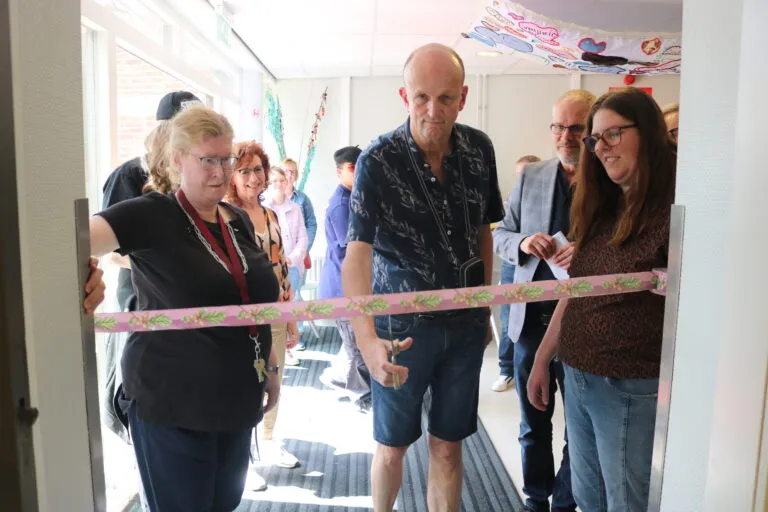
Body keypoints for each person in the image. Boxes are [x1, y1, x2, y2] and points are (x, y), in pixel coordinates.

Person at [89, 105, 281, 512]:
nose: (221, 172)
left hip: (236, 398)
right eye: (207, 160)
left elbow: (254, 304)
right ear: (178, 160)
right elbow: (66, 241)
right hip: (172, 404)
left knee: (223, 504)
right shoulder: (152, 214)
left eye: (226, 159)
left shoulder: (235, 219)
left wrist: (272, 367)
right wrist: (86, 279)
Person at [342, 43, 504, 512]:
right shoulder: (378, 159)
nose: (434, 111)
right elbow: (356, 255)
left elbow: (483, 232)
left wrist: (483, 308)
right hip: (401, 331)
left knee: (449, 447)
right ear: (405, 96)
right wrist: (367, 339)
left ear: (463, 97)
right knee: (391, 446)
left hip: (464, 326)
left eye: (446, 98)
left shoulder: (479, 149)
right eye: (422, 98)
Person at [527, 87, 676, 512]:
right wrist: (542, 358)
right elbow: (576, 291)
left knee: (626, 502)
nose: (601, 148)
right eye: (596, 139)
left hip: (627, 383)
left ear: (647, 133)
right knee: (589, 498)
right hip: (577, 374)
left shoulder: (674, 211)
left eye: (614, 134)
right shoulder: (602, 206)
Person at [494, 89, 597, 512]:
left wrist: (588, 253)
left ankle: (565, 503)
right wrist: (522, 242)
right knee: (532, 424)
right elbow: (500, 235)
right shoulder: (531, 176)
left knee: (580, 429)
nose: (565, 136)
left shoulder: (611, 179)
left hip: (585, 326)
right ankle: (536, 499)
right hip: (530, 324)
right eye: (558, 127)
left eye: (576, 128)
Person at [101, 91, 201, 442]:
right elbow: (110, 251)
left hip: (188, 308)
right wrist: (167, 262)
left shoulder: (196, 175)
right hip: (143, 303)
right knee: (145, 394)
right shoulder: (129, 175)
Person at [224, 141, 301, 482]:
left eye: (258, 170)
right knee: (244, 384)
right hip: (241, 319)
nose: (253, 178)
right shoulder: (223, 216)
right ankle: (244, 459)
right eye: (244, 171)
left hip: (276, 312)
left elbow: (281, 267)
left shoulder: (270, 214)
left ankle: (268, 440)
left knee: (275, 378)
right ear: (232, 175)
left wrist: (291, 316)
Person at [318, 145, 372, 411]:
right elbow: (354, 247)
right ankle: (361, 396)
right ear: (340, 171)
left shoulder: (355, 197)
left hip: (351, 284)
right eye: (352, 167)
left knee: (353, 340)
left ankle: (337, 378)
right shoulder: (342, 204)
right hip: (342, 287)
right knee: (356, 344)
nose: (358, 171)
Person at [492, 154, 540, 393]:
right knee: (508, 319)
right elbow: (499, 236)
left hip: (542, 267)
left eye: (529, 175)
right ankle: (506, 369)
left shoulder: (548, 199)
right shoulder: (509, 201)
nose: (524, 180)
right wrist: (523, 242)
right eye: (520, 175)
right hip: (513, 264)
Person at [263, 166, 308, 366]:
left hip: (292, 266)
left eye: (281, 180)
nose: (278, 184)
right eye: (273, 181)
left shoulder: (295, 208)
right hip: (271, 268)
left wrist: (292, 258)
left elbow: (303, 238)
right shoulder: (263, 208)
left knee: (290, 305)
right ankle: (275, 349)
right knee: (275, 310)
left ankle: (288, 347)